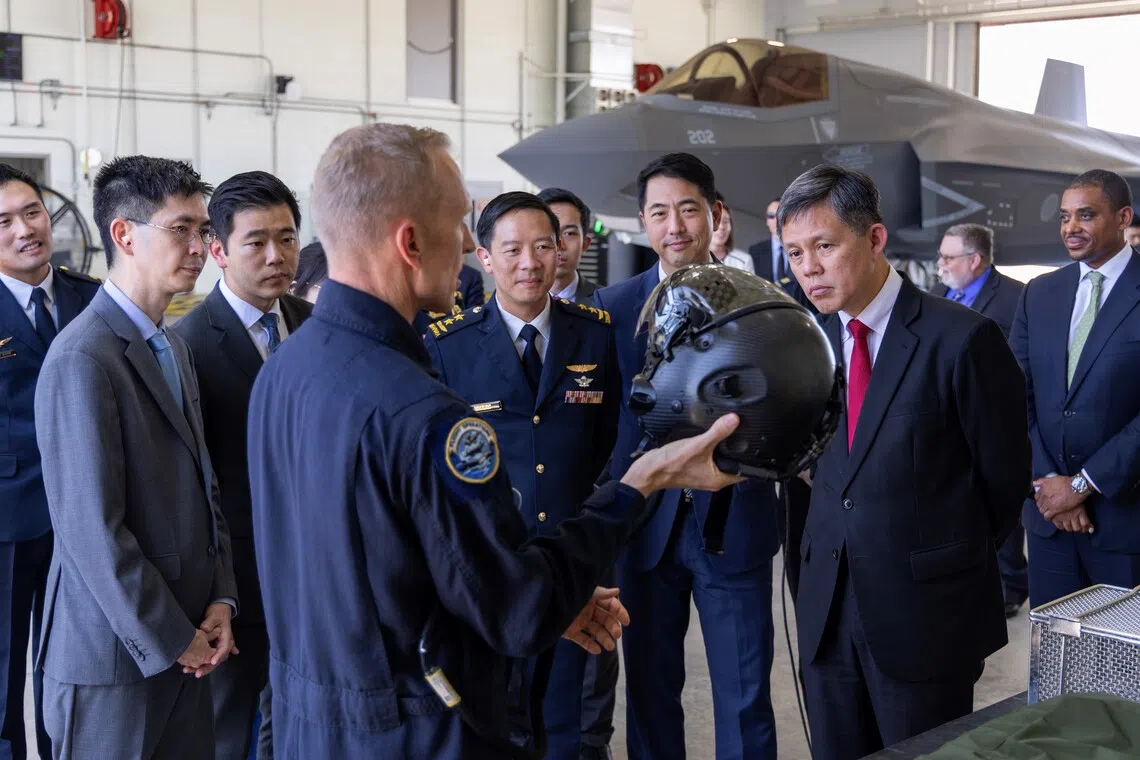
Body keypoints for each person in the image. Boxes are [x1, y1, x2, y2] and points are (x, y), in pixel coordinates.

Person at [246, 123, 745, 759]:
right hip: (414, 736)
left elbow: (385, 572)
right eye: (458, 223)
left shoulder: (284, 372)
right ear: (410, 241)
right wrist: (640, 482)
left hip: (306, 731)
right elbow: (517, 609)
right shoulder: (424, 416)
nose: (465, 242)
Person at [778, 164, 1030, 760]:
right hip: (827, 610)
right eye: (794, 252)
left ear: (874, 239)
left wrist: (933, 556)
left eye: (824, 246)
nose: (808, 267)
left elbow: (1002, 482)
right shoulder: (806, 346)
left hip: (924, 618)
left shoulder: (962, 339)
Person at [33, 156, 238, 759]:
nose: (200, 246)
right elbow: (92, 532)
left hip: (189, 642)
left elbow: (206, 488)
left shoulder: (170, 343)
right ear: (125, 234)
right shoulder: (83, 358)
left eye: (204, 230)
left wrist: (222, 599)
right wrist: (174, 637)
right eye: (182, 229)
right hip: (114, 659)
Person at [593, 153, 782, 760]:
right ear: (642, 223)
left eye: (688, 208)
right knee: (650, 695)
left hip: (733, 524)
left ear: (715, 214)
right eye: (658, 212)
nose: (674, 225)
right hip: (643, 531)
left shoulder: (762, 305)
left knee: (745, 694)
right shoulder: (610, 308)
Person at [424, 191, 621, 760]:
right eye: (512, 250)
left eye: (544, 245)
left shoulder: (597, 335)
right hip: (492, 569)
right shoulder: (449, 346)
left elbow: (612, 445)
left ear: (563, 249)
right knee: (493, 722)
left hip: (574, 567)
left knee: (574, 725)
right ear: (484, 258)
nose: (530, 263)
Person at [173, 171, 314, 760]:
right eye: (255, 242)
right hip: (236, 583)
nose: (276, 256)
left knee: (304, 725)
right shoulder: (187, 345)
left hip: (314, 576)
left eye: (286, 238)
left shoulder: (312, 327)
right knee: (230, 732)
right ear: (217, 251)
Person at [0, 164, 101, 760]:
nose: (24, 230)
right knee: (9, 662)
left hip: (89, 510)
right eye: (4, 222)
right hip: (11, 515)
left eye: (31, 212)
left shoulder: (87, 297)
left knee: (70, 659)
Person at [1010, 169, 1140, 609]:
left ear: (1123, 217)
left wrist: (1082, 485)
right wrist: (1050, 483)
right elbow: (1014, 394)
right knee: (1054, 664)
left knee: (1120, 671)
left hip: (1124, 520)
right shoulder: (1040, 293)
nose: (1071, 228)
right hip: (1049, 521)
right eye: (1065, 217)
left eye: (1086, 215)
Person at [932, 222, 1029, 617]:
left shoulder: (1015, 297)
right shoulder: (942, 293)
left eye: (948, 257)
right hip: (951, 422)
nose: (940, 264)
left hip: (995, 420)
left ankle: (1012, 584)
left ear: (975, 260)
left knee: (1000, 502)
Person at [538, 187, 599, 303]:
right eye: (548, 232)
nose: (559, 245)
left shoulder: (608, 303)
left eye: (569, 233)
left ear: (584, 245)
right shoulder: (511, 306)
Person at [709, 193, 755, 273]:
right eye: (716, 221)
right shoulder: (694, 259)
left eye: (726, 222)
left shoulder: (744, 260)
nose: (722, 227)